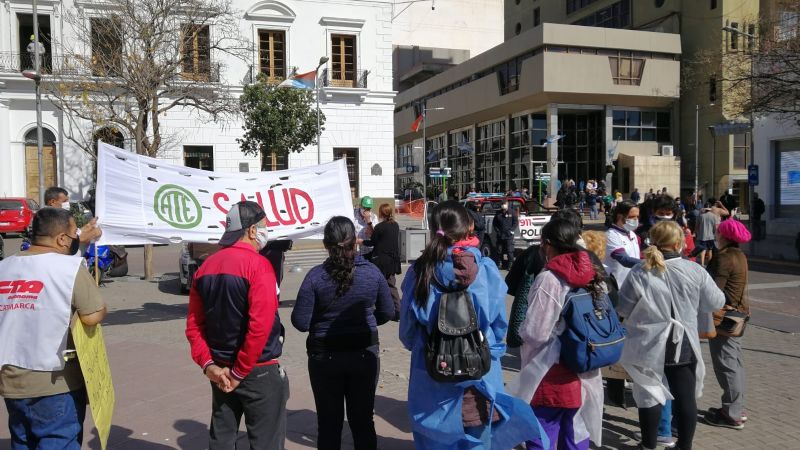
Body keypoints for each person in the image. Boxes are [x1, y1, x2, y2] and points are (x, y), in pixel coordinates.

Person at [399, 201, 544, 449]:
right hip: (480, 373)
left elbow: (407, 333)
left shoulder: (419, 271)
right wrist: (490, 353)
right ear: (468, 227)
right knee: (478, 436)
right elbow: (498, 326)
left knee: (433, 440)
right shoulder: (485, 269)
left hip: (433, 373)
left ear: (433, 229)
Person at [0, 207, 106, 450]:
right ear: (61, 239)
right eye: (74, 233)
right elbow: (91, 316)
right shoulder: (70, 268)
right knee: (57, 440)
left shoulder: (4, 267)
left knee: (22, 440)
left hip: (11, 379)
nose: (76, 238)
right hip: (55, 381)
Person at [185, 201, 288, 450]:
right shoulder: (259, 266)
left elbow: (194, 326)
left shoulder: (205, 267)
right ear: (252, 230)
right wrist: (239, 372)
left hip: (220, 371)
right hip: (257, 371)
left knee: (221, 439)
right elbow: (259, 328)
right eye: (263, 226)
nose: (265, 232)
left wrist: (209, 365)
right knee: (266, 443)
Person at [618, 221, 725, 450]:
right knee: (685, 396)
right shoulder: (695, 270)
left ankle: (648, 445)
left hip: (648, 342)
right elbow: (716, 301)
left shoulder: (640, 271)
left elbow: (623, 308)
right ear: (679, 243)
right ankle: (684, 446)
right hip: (682, 342)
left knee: (649, 393)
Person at [292, 216, 394, 449]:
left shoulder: (315, 276)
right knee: (363, 420)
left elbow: (300, 322)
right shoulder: (372, 273)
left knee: (329, 423)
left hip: (324, 357)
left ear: (326, 244)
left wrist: (322, 321)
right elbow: (388, 312)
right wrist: (367, 321)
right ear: (355, 241)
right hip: (364, 353)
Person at [507, 218, 605, 450]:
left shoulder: (549, 278)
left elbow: (536, 333)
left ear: (547, 244)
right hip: (585, 368)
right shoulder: (594, 273)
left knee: (542, 434)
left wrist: (521, 330)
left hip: (550, 372)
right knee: (576, 436)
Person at [704, 219, 752, 430]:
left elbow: (714, 291)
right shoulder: (739, 255)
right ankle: (736, 407)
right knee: (734, 363)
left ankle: (732, 414)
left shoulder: (723, 257)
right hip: (737, 315)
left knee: (726, 364)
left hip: (725, 318)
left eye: (718, 232)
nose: (716, 234)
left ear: (724, 235)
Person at [362, 204, 402, 319]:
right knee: (391, 285)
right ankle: (397, 310)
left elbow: (373, 241)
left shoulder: (380, 227)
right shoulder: (395, 225)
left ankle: (383, 309)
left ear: (380, 213)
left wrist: (361, 241)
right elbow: (381, 238)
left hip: (381, 261)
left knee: (378, 284)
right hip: (392, 260)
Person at [604, 201, 641, 288]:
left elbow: (637, 255)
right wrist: (649, 263)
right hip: (617, 284)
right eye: (631, 217)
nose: (636, 220)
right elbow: (624, 259)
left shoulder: (632, 233)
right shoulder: (611, 235)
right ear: (619, 216)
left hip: (632, 282)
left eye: (637, 216)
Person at [492, 202, 518, 270]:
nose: (503, 205)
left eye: (505, 203)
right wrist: (498, 231)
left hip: (509, 235)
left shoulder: (512, 212)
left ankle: (510, 265)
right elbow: (494, 223)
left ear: (507, 204)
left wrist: (511, 230)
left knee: (510, 250)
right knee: (499, 250)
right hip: (500, 235)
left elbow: (515, 222)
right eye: (502, 204)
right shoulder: (498, 213)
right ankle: (500, 263)